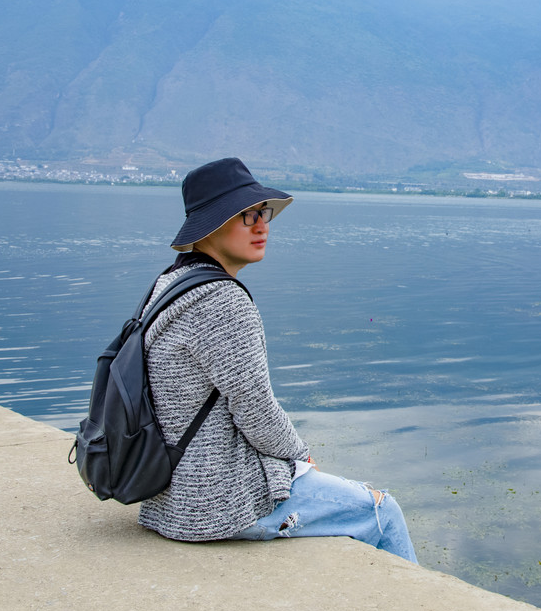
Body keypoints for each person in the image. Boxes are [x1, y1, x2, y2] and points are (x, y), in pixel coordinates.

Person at [137, 157, 416, 562]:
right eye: (246, 216)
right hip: (216, 505)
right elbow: (257, 414)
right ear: (212, 225)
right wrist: (302, 456)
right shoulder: (222, 301)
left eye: (263, 213)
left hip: (169, 498)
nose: (262, 226)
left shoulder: (169, 285)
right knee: (381, 511)